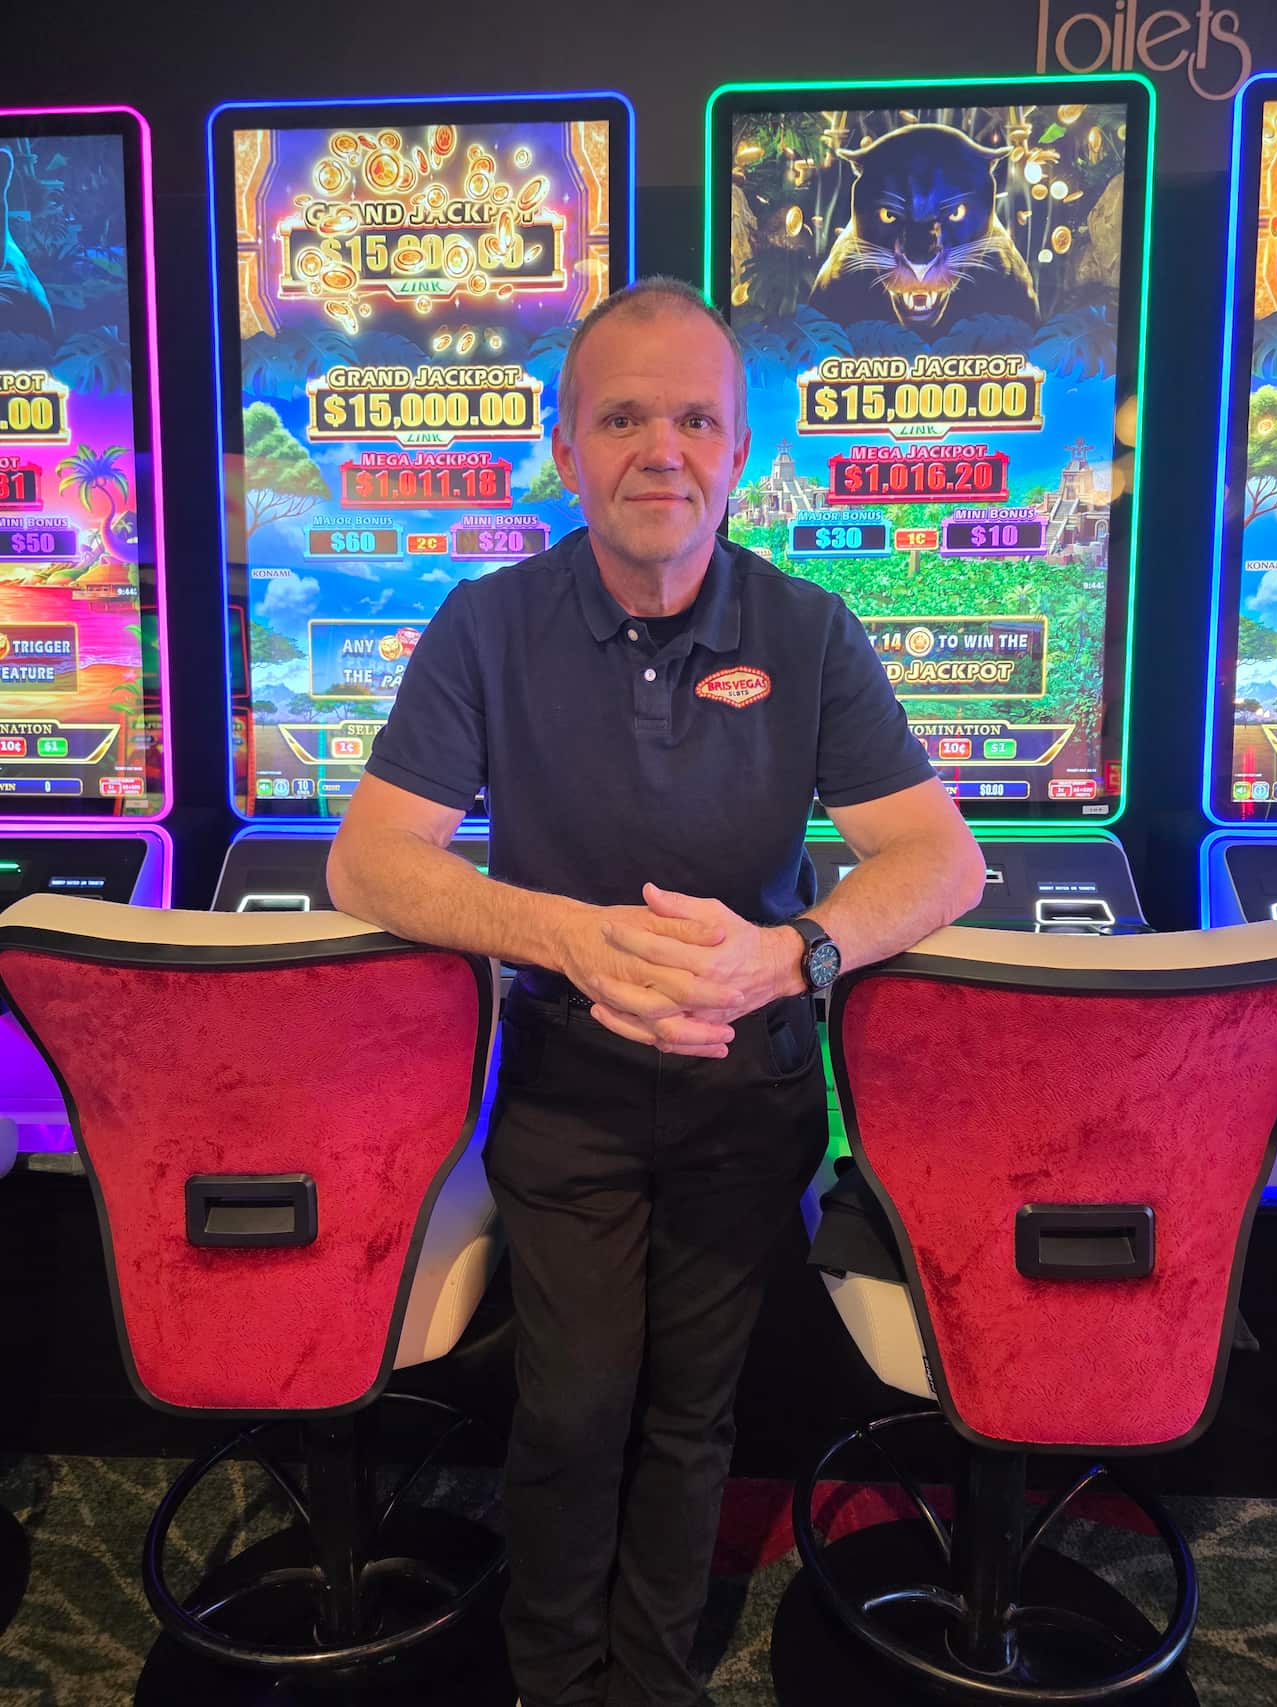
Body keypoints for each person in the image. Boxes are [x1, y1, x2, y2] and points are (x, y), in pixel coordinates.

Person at [327, 275, 986, 1707]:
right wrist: (563, 936)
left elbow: (944, 861)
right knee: (572, 1409)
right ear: (565, 448)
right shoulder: (485, 623)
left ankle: (653, 1680)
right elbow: (367, 861)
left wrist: (791, 954)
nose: (662, 452)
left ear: (741, 448)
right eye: (624, 419)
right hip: (565, 1093)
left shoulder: (811, 629)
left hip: (749, 1096)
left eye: (695, 420)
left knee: (694, 1416)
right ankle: (555, 1679)